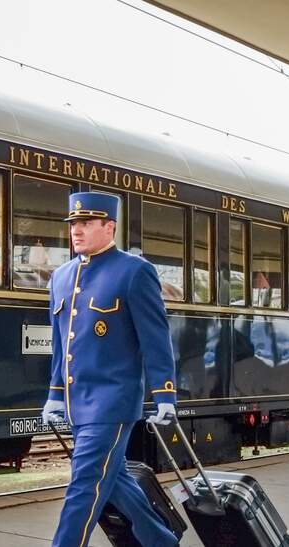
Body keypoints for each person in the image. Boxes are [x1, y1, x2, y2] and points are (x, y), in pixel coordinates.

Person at [41, 192, 178, 547]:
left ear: (110, 227)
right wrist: (55, 395)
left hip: (112, 402)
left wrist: (165, 393)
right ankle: (162, 542)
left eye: (86, 223)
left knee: (84, 485)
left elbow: (155, 338)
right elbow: (61, 346)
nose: (76, 230)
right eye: (73, 224)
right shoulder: (60, 277)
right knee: (114, 478)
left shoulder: (134, 272)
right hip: (77, 404)